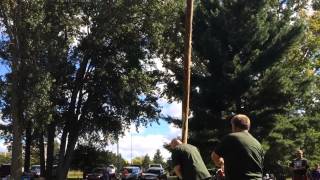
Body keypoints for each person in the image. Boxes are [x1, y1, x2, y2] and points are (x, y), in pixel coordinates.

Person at [211, 114, 264, 180]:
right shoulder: (257, 143)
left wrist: (222, 165)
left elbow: (214, 156)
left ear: (233, 126)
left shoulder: (231, 138)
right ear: (248, 127)